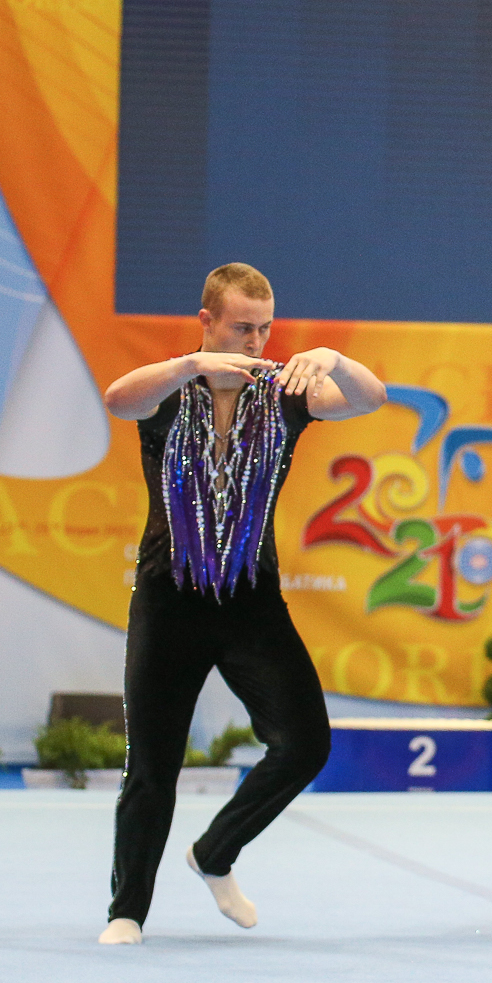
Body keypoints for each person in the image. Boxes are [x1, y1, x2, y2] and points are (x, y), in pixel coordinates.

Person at [95, 262, 387, 945]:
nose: (255, 341)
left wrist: (334, 359)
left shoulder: (284, 394)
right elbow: (116, 399)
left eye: (264, 329)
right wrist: (189, 364)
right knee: (152, 766)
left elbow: (371, 398)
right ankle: (127, 910)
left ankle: (215, 852)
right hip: (170, 598)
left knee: (306, 744)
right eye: (241, 328)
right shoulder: (169, 390)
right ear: (207, 321)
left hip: (251, 600)